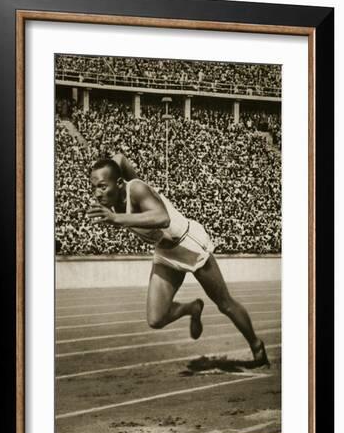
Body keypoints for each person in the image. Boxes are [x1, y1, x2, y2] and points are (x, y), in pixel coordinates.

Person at [87, 157, 270, 367]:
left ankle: (257, 347)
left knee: (225, 304)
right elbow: (120, 159)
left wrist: (116, 219)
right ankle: (191, 308)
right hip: (165, 254)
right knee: (156, 319)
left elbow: (162, 218)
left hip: (188, 244)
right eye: (94, 188)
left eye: (102, 186)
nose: (97, 193)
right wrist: (115, 162)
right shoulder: (115, 201)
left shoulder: (136, 189)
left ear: (119, 183)